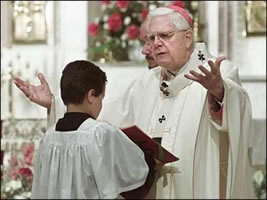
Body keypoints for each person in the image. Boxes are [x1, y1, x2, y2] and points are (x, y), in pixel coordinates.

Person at [14, 6, 255, 199]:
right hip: (154, 189)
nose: (155, 44)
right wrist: (57, 106)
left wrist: (220, 92)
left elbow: (240, 115)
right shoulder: (146, 83)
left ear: (188, 38)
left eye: (165, 36)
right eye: (152, 38)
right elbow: (98, 119)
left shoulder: (218, 72)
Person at [30, 60, 157, 199]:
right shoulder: (100, 133)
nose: (101, 104)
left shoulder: (48, 137)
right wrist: (151, 159)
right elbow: (135, 177)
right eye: (101, 98)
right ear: (91, 96)